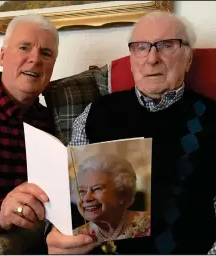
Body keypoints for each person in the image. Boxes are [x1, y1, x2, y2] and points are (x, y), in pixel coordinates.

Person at [46, 11, 216, 254]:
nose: (152, 58)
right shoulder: (94, 115)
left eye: (167, 46)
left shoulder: (212, 118)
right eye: (141, 47)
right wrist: (59, 236)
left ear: (188, 59)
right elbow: (68, 198)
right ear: (131, 58)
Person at [0, 14, 96, 254]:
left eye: (46, 53)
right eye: (24, 47)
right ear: (2, 56)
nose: (35, 59)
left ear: (52, 66)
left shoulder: (51, 121)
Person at [72, 155, 150, 243]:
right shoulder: (76, 237)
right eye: (82, 191)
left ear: (121, 194)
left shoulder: (149, 225)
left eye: (97, 188)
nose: (87, 198)